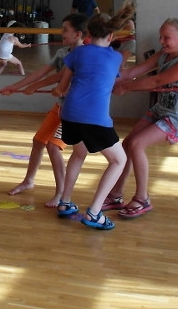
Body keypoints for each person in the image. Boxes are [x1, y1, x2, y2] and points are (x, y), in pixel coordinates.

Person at [108, 17, 178, 218]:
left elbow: (156, 81)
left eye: (166, 37)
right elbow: (132, 72)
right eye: (161, 37)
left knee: (137, 144)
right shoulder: (163, 54)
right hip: (162, 109)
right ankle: (116, 195)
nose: (161, 41)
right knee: (127, 144)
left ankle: (142, 199)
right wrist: (106, 74)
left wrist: (125, 87)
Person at [52, 13, 128, 230]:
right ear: (111, 36)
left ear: (87, 33)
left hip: (70, 114)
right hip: (94, 119)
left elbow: (62, 88)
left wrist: (56, 91)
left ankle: (65, 202)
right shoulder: (116, 57)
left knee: (79, 153)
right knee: (119, 160)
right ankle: (94, 213)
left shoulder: (77, 52)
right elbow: (115, 81)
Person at [3, 13, 87, 207]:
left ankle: (61, 194)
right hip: (60, 107)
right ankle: (29, 181)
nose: (61, 32)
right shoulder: (62, 53)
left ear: (78, 34)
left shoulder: (84, 55)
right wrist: (16, 86)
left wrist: (34, 87)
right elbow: (41, 72)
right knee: (38, 141)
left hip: (74, 113)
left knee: (53, 146)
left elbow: (59, 77)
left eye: (65, 29)